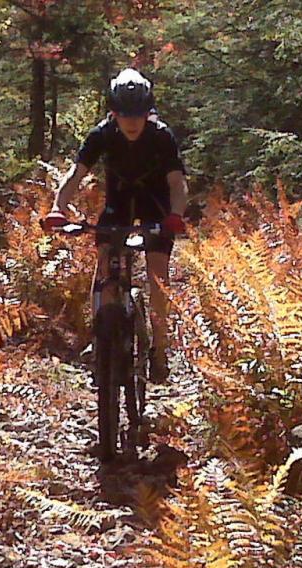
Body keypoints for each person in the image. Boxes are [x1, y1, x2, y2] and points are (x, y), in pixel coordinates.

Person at [43, 68, 188, 383]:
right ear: (114, 113)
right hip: (118, 204)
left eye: (138, 115)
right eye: (125, 115)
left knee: (158, 274)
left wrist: (176, 214)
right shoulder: (102, 134)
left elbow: (177, 183)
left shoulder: (161, 136)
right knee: (105, 263)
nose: (132, 122)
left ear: (148, 112)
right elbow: (76, 174)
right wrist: (58, 208)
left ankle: (159, 349)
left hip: (156, 206)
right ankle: (101, 341)